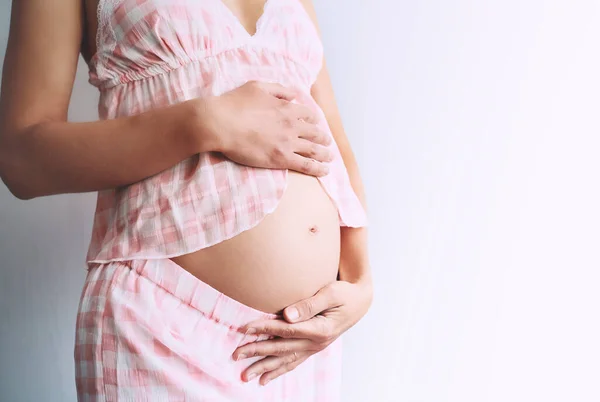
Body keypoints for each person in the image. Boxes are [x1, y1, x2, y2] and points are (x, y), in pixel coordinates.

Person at [0, 0, 373, 400]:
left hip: (301, 345)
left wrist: (359, 282)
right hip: (164, 330)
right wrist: (206, 123)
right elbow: (22, 158)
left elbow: (332, 135)